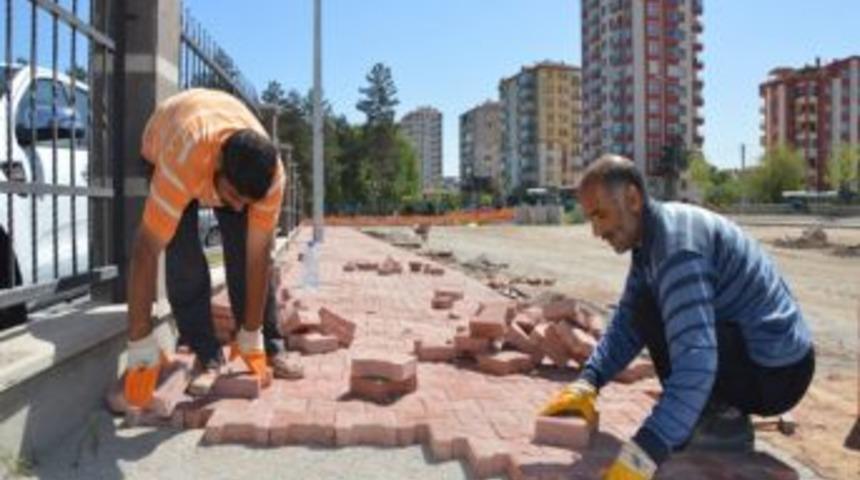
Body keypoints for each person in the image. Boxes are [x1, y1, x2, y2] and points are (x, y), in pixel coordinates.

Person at [539, 155, 814, 479]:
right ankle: (707, 408)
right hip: (755, 355)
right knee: (647, 308)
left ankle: (721, 420)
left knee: (678, 329)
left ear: (632, 198)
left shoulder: (677, 249)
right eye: (591, 218)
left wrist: (643, 455)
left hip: (777, 372)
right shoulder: (650, 241)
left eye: (600, 215)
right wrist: (589, 381)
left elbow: (696, 359)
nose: (596, 230)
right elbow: (628, 322)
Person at [124, 88, 302, 409]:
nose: (238, 207)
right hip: (168, 138)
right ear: (217, 163)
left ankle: (267, 346)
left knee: (246, 248)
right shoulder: (182, 161)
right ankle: (207, 354)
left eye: (246, 202)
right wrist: (140, 343)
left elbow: (258, 259)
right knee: (185, 261)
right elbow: (146, 250)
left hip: (216, 132)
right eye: (233, 196)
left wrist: (252, 331)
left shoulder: (272, 178)